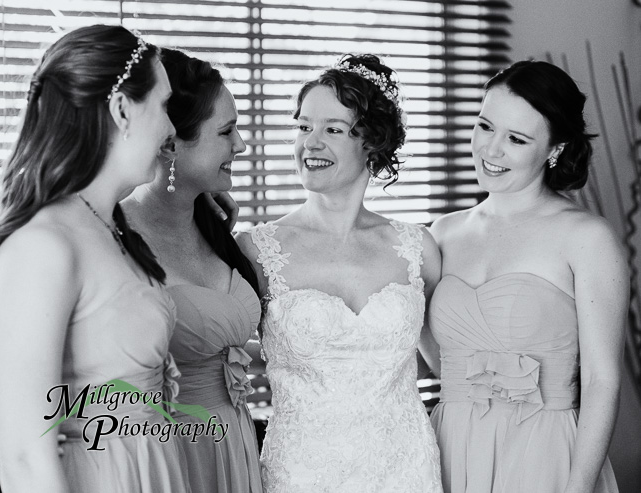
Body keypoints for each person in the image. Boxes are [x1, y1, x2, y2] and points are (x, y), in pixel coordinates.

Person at [0, 25, 190, 493]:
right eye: (165, 106)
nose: (171, 128)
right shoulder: (43, 244)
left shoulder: (113, 230)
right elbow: (24, 457)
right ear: (122, 109)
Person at [235, 54, 443, 492]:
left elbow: (448, 363)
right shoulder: (256, 250)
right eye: (303, 126)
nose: (310, 143)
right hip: (300, 473)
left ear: (372, 141)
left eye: (332, 129)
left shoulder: (417, 248)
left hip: (406, 471)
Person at [425, 60, 627, 493]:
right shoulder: (441, 234)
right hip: (449, 448)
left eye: (516, 139)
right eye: (484, 126)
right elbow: (431, 350)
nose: (491, 150)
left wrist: (577, 488)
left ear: (554, 149)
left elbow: (601, 381)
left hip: (543, 452)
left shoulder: (586, 238)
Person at [122, 48, 263, 493]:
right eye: (226, 132)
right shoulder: (112, 238)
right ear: (169, 142)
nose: (240, 145)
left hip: (237, 444)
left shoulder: (216, 225)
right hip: (175, 456)